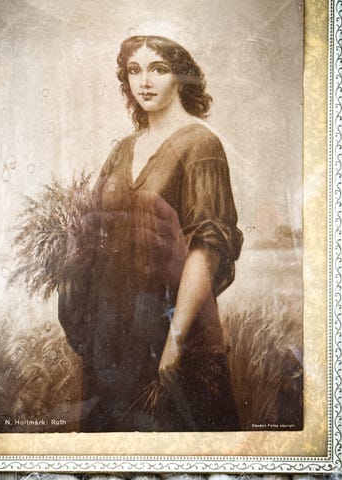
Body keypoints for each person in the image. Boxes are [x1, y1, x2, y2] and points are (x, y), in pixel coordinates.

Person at [60, 33, 243, 432]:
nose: (144, 81)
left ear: (181, 76)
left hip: (168, 321)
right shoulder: (124, 148)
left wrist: (175, 341)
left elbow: (208, 247)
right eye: (134, 70)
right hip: (112, 330)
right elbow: (93, 229)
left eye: (158, 69)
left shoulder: (201, 144)